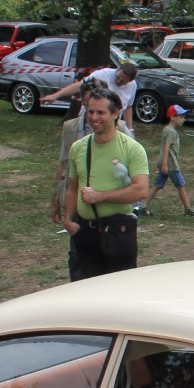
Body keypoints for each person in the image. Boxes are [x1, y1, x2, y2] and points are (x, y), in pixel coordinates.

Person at [65, 87, 149, 279]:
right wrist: (68, 220)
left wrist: (100, 196)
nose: (94, 117)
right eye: (91, 111)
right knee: (85, 291)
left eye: (101, 112)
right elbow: (72, 188)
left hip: (117, 232)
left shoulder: (132, 149)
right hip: (85, 231)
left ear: (115, 113)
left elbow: (141, 190)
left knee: (118, 291)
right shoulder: (79, 148)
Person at [47, 61, 138, 127]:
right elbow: (80, 85)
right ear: (118, 69)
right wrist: (55, 96)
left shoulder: (132, 86)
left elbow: (128, 108)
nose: (118, 81)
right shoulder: (103, 74)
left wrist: (130, 129)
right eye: (118, 77)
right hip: (88, 120)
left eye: (123, 81)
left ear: (130, 81)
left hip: (112, 123)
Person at [149, 105, 194, 216]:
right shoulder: (171, 132)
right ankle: (188, 209)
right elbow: (166, 147)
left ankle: (143, 206)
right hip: (171, 164)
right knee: (181, 185)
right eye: (181, 117)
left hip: (167, 164)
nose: (184, 119)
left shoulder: (167, 129)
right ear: (173, 117)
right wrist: (164, 164)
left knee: (158, 185)